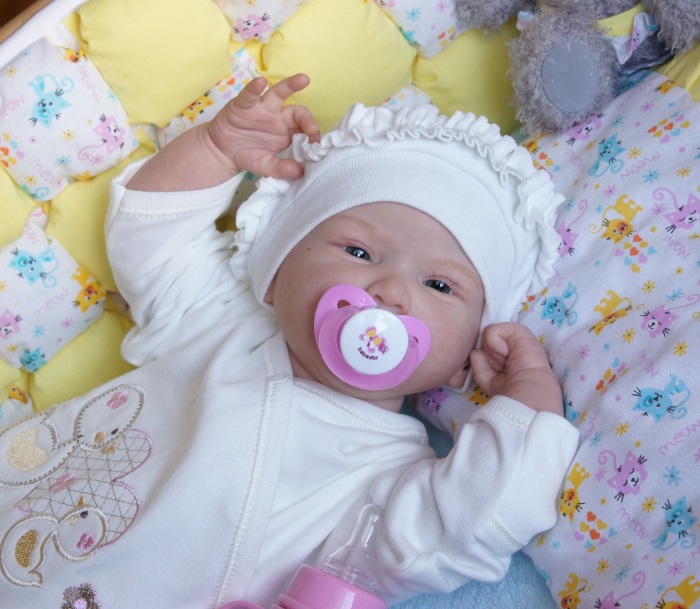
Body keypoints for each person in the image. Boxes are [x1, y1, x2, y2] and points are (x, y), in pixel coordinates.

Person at [0, 74, 579, 609]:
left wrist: (527, 395)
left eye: (439, 285)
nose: (390, 291)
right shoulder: (221, 323)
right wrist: (215, 150)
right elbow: (152, 235)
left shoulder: (387, 483)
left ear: (460, 366)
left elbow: (480, 521)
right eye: (359, 251)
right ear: (273, 273)